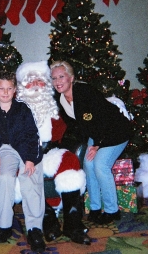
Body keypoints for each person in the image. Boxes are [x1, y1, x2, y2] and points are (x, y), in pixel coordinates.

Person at [15, 61, 90, 245]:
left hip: (50, 151)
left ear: (46, 84)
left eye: (39, 81)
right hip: (25, 155)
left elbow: (74, 127)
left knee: (70, 161)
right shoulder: (15, 108)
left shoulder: (55, 104)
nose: (34, 86)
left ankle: (73, 223)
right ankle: (48, 221)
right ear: (22, 86)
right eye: (29, 81)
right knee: (27, 174)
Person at [50, 60, 133, 225]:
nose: (57, 81)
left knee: (100, 165)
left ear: (71, 78)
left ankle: (112, 211)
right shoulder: (60, 99)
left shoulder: (85, 91)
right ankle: (95, 208)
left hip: (115, 131)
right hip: (96, 134)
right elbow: (77, 126)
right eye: (54, 78)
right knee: (88, 164)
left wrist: (98, 145)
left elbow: (104, 119)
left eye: (61, 76)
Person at [0, 70, 46, 252]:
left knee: (29, 177)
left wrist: (30, 159)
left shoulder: (22, 108)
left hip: (26, 148)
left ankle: (34, 229)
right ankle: (4, 226)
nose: (6, 92)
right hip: (6, 149)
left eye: (10, 88)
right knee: (6, 177)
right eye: (2, 88)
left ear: (15, 89)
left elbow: (32, 134)